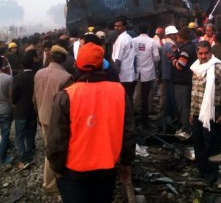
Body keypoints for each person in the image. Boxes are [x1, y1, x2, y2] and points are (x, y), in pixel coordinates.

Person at [46, 42, 136, 203]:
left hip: (73, 171)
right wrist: (126, 162)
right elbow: (128, 131)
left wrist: (57, 168)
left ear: (76, 65)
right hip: (107, 169)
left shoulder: (66, 96)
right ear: (102, 65)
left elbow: (56, 140)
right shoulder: (119, 91)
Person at [190, 41, 221, 185]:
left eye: (206, 53)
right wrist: (191, 112)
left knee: (212, 144)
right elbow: (194, 92)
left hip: (213, 111)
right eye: (200, 53)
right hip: (197, 112)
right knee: (198, 142)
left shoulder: (218, 68)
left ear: (210, 53)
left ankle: (211, 174)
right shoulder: (196, 68)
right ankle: (201, 170)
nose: (203, 56)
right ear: (197, 54)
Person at [34, 45, 73, 194]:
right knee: (55, 150)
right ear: (64, 60)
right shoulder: (66, 78)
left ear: (50, 58)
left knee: (50, 147)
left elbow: (35, 97)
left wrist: (38, 115)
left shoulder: (39, 73)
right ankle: (50, 184)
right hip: (57, 121)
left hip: (42, 116)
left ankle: (52, 180)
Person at [167, 27, 197, 137]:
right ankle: (187, 127)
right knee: (186, 105)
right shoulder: (191, 47)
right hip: (187, 80)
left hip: (182, 82)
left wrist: (171, 58)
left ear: (183, 38)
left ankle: (186, 129)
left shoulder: (185, 50)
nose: (177, 39)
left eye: (178, 37)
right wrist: (177, 52)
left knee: (183, 106)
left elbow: (180, 65)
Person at [12, 52, 38, 169]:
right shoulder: (37, 77)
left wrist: (14, 103)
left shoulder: (17, 78)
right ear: (33, 64)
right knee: (31, 133)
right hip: (33, 110)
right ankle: (30, 153)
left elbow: (14, 95)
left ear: (22, 66)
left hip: (20, 111)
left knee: (20, 135)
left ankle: (23, 157)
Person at [132, 23, 160, 127]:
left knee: (135, 94)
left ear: (139, 30)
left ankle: (135, 116)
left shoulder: (133, 41)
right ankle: (145, 120)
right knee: (145, 96)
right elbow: (157, 58)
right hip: (148, 73)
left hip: (135, 72)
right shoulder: (152, 42)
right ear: (148, 30)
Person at [112, 16, 136, 103]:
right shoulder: (129, 37)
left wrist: (114, 75)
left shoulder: (121, 39)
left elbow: (117, 60)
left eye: (119, 26)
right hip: (129, 75)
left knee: (123, 101)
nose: (116, 28)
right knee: (129, 99)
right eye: (115, 26)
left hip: (122, 76)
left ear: (124, 26)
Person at [0, 57, 13, 165]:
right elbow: (10, 96)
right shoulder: (8, 78)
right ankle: (2, 158)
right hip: (5, 110)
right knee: (5, 134)